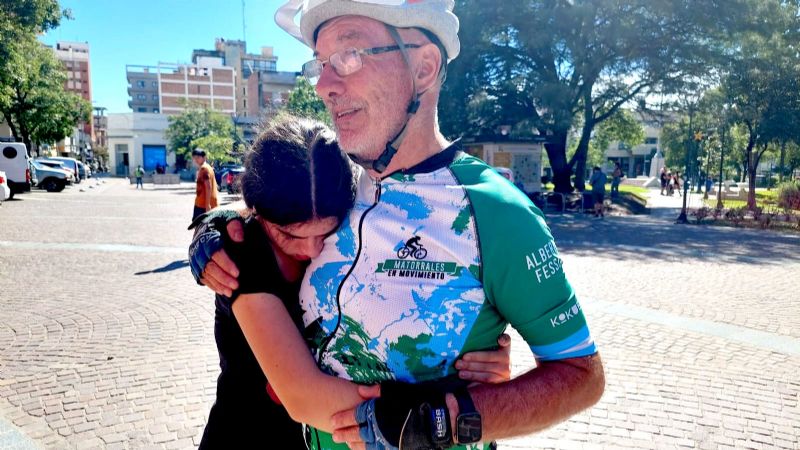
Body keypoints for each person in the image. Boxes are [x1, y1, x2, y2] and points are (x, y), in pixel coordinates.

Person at [193, 1, 604, 449]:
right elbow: (276, 213)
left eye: (349, 56)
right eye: (321, 64)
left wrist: (452, 417)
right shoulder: (339, 191)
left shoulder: (496, 213)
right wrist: (221, 223)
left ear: (424, 67)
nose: (326, 85)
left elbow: (581, 376)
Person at [192, 115, 512, 448]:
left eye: (327, 232)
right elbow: (305, 397)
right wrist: (448, 404)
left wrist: (476, 359)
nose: (312, 248)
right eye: (288, 234)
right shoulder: (242, 251)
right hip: (246, 435)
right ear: (256, 209)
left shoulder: (355, 229)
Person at [192, 148, 219, 222]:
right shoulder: (208, 167)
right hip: (208, 203)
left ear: (204, 157)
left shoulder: (204, 169)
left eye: (198, 157)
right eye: (195, 158)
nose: (196, 160)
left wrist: (207, 205)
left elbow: (208, 187)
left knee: (200, 228)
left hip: (203, 205)